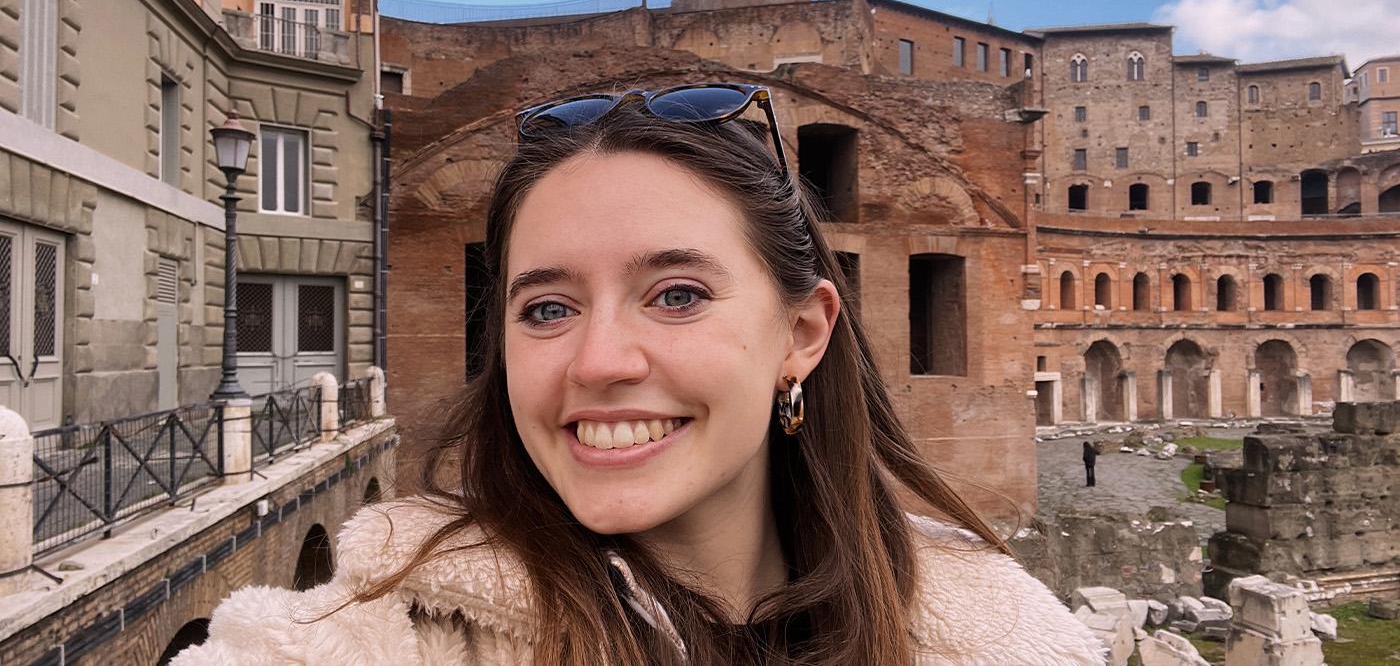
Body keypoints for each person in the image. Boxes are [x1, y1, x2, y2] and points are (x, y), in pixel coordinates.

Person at [174, 83, 1104, 664]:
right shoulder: (378, 635)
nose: (599, 361)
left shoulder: (1000, 636)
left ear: (803, 333)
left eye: (676, 294)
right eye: (546, 309)